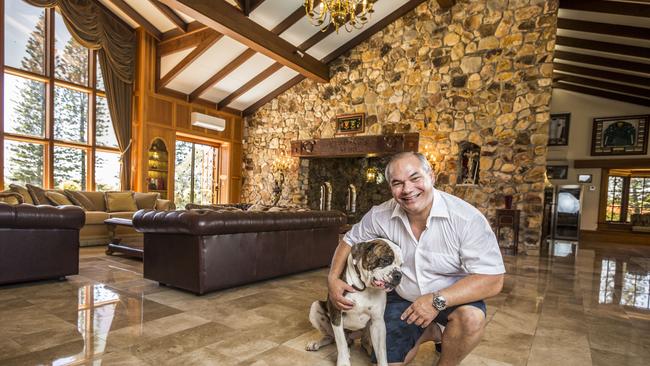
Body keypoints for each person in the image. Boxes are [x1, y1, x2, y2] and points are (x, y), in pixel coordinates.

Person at [327, 152, 505, 366]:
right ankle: (431, 330)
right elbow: (349, 240)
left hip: (451, 298)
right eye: (397, 183)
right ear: (391, 188)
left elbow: (493, 279)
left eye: (415, 178)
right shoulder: (379, 215)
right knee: (386, 362)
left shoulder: (466, 219)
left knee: (471, 319)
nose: (408, 189)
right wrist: (332, 279)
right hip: (402, 299)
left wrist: (436, 300)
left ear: (431, 176)